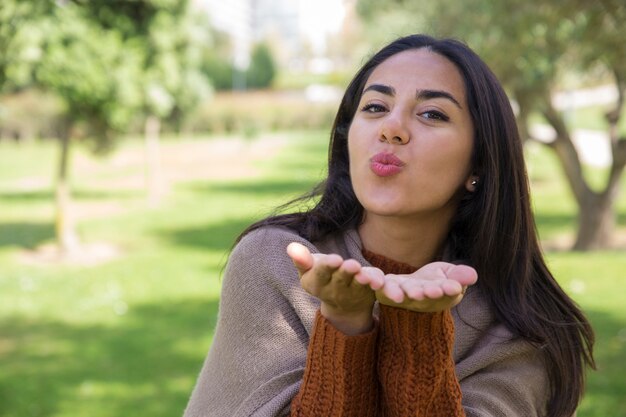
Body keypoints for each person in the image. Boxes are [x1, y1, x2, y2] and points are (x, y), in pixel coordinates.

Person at [183, 34, 595, 417]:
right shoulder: (274, 263)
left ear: (479, 164)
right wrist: (343, 322)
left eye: (432, 114)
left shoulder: (514, 330)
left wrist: (419, 330)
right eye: (375, 107)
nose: (391, 129)